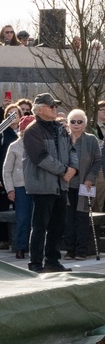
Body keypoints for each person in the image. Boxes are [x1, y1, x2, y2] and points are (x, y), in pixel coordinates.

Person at [23, 92, 78, 273]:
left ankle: (53, 261)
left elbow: (72, 149)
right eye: (51, 106)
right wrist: (64, 171)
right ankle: (36, 263)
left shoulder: (61, 128)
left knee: (58, 225)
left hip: (60, 185)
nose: (55, 109)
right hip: (42, 186)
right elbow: (40, 158)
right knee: (40, 226)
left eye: (55, 106)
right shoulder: (32, 131)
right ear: (40, 109)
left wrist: (73, 168)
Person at [62, 108, 102, 260]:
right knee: (68, 219)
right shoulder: (63, 138)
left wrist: (90, 179)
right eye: (73, 121)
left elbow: (97, 162)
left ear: (84, 124)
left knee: (82, 218)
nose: (76, 124)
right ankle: (70, 249)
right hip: (66, 185)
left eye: (80, 122)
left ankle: (82, 250)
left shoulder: (91, 140)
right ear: (68, 123)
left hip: (85, 185)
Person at [4, 113, 35, 259]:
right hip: (20, 187)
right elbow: (7, 170)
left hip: (38, 187)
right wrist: (10, 188)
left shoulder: (40, 144)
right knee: (22, 218)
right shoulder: (14, 146)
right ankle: (21, 247)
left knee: (37, 219)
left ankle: (36, 247)